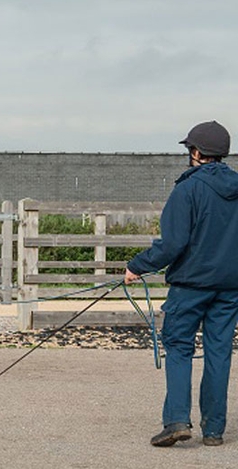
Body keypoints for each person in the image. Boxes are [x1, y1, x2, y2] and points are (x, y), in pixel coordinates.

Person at [125, 120, 238, 448]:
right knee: (219, 351)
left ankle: (176, 420)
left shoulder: (187, 189)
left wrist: (137, 266)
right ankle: (214, 431)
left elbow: (172, 244)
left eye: (190, 149)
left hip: (191, 285)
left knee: (178, 346)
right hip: (231, 287)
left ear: (198, 152)